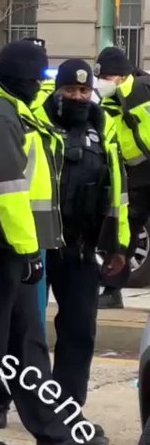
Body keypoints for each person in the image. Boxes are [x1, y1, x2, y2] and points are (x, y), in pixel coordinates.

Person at [0, 40, 108, 445]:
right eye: (37, 81)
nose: (40, 89)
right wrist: (30, 250)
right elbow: (8, 192)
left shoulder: (7, 109)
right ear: (23, 81)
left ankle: (53, 435)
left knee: (26, 344)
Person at [0, 60, 127, 430]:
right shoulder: (33, 124)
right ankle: (0, 399)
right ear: (57, 91)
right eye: (70, 90)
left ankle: (68, 405)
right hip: (38, 245)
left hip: (81, 248)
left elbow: (118, 193)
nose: (78, 97)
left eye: (84, 91)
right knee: (21, 330)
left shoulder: (105, 129)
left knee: (80, 328)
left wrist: (120, 246)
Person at [93, 46, 150, 309]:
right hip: (137, 175)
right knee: (124, 233)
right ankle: (112, 289)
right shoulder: (112, 100)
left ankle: (112, 289)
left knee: (127, 230)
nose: (102, 83)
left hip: (142, 172)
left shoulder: (141, 92)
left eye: (105, 77)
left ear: (119, 76)